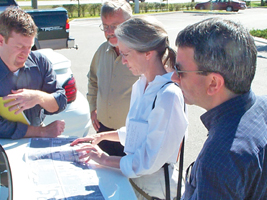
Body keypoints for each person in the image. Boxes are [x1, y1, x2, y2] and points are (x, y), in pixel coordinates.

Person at [71, 16, 188, 199]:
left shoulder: (168, 96)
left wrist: (103, 159)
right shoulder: (140, 85)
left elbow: (148, 161)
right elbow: (138, 132)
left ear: (148, 52)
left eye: (126, 54)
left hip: (154, 191)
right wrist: (100, 137)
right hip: (136, 184)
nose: (123, 61)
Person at [171, 17, 267, 199]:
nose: (174, 78)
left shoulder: (219, 157)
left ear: (213, 83)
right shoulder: (263, 106)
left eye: (180, 71)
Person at [0, 7, 67, 139]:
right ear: (0, 40)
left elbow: (60, 102)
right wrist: (43, 132)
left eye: (29, 47)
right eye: (19, 47)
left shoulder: (40, 62)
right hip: (2, 144)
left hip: (37, 139)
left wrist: (38, 97)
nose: (26, 54)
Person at [87, 0, 139, 156]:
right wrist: (93, 108)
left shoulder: (141, 53)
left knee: (129, 179)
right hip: (103, 131)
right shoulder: (102, 51)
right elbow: (93, 80)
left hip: (130, 135)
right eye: (105, 26)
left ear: (129, 24)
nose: (109, 31)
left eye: (115, 26)